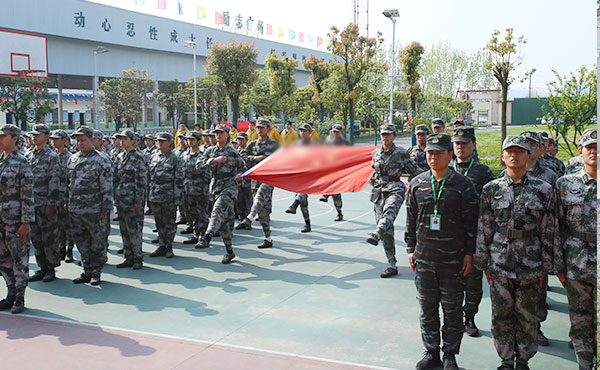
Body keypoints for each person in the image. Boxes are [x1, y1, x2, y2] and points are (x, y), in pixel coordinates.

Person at [474, 135, 556, 370]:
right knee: (501, 316)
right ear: (502, 157)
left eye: (519, 151)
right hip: (499, 263)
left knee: (527, 317)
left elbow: (549, 229)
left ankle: (524, 360)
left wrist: (547, 265)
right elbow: (484, 227)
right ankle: (506, 359)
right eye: (509, 151)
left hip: (531, 263)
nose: (514, 155)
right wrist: (482, 262)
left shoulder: (544, 189)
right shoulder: (491, 189)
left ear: (528, 155)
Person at [405, 133, 479, 370]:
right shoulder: (417, 184)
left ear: (449, 155)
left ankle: (450, 355)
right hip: (424, 260)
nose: (433, 157)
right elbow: (411, 220)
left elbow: (471, 223)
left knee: (452, 311)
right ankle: (431, 352)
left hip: (453, 261)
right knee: (427, 310)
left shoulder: (463, 186)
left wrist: (470, 253)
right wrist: (410, 249)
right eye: (430, 153)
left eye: (438, 153)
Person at [554, 128, 597, 370]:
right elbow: (556, 228)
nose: (595, 152)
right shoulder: (565, 185)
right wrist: (559, 265)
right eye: (590, 147)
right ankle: (584, 362)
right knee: (580, 319)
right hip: (576, 262)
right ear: (580, 151)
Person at [450, 126, 496, 338]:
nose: (460, 147)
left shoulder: (483, 172)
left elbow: (492, 206)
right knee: (450, 280)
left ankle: (470, 317)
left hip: (475, 235)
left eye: (465, 144)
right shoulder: (444, 169)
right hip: (449, 236)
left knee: (473, 280)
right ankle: (453, 318)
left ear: (473, 145)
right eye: (457, 144)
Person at [366, 123, 419, 278]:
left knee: (389, 212)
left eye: (388, 134)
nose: (385, 137)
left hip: (395, 187)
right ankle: (392, 264)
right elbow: (375, 171)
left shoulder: (401, 153)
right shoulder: (375, 153)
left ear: (394, 136)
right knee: (387, 231)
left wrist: (429, 180)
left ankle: (376, 233)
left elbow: (415, 171)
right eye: (383, 134)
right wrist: (373, 179)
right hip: (378, 191)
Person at [67, 126, 113, 285]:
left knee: (96, 241)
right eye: (77, 140)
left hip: (94, 209)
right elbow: (69, 184)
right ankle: (86, 270)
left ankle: (96, 272)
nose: (79, 143)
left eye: (83, 140)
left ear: (91, 140)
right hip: (75, 209)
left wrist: (105, 210)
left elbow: (106, 187)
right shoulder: (73, 159)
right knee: (80, 240)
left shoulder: (101, 159)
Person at [195, 124, 246, 264]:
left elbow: (243, 168)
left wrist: (240, 175)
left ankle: (207, 237)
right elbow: (198, 165)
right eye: (216, 133)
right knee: (223, 223)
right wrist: (214, 161)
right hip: (215, 187)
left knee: (218, 209)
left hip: (229, 187)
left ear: (227, 135)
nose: (218, 135)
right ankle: (229, 252)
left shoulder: (232, 151)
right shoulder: (210, 151)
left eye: (221, 133)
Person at [0, 124, 34, 314]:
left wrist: (25, 222)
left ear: (14, 139)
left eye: (3, 136)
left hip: (15, 221)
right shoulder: (0, 160)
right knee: (3, 259)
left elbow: (27, 195)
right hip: (1, 221)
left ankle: (20, 296)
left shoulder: (21, 162)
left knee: (19, 259)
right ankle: (10, 293)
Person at [236, 119, 280, 249]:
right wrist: (255, 158)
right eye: (258, 127)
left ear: (268, 128)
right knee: (263, 213)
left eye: (262, 127)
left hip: (268, 179)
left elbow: (280, 159)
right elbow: (243, 157)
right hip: (255, 180)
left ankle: (249, 217)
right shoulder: (252, 145)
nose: (259, 130)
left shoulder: (274, 145)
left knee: (261, 196)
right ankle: (268, 238)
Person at [26, 124, 60, 283]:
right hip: (31, 204)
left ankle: (51, 269)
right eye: (33, 135)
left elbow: (54, 182)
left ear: (47, 137)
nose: (34, 137)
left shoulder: (51, 156)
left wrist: (51, 204)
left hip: (44, 203)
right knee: (36, 238)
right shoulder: (29, 155)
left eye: (38, 135)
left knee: (49, 238)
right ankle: (42, 268)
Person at [113, 129, 147, 270]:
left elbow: (141, 181)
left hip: (133, 200)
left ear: (133, 140)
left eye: (125, 138)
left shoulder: (139, 157)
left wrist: (139, 201)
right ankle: (128, 257)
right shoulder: (120, 156)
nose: (122, 141)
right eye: (121, 138)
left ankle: (138, 258)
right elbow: (115, 178)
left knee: (134, 230)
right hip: (121, 200)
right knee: (124, 229)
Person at [148, 132, 184, 258]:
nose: (159, 143)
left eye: (163, 141)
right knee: (159, 222)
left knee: (169, 222)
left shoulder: (174, 158)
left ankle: (169, 247)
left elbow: (179, 179)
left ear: (169, 142)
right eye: (157, 140)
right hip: (155, 194)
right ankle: (161, 245)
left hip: (169, 194)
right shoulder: (153, 156)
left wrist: (177, 198)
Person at [49, 130, 75, 263]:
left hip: (65, 196)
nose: (54, 141)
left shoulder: (70, 157)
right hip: (54, 197)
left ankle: (70, 250)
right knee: (58, 225)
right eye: (53, 139)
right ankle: (61, 249)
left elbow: (72, 180)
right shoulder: (50, 156)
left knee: (67, 225)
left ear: (65, 140)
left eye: (57, 139)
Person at [181, 131, 210, 245]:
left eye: (192, 139)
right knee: (191, 213)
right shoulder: (184, 155)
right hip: (187, 188)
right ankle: (195, 234)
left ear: (198, 141)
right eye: (188, 139)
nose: (190, 141)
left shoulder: (202, 155)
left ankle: (203, 237)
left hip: (200, 189)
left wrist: (206, 192)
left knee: (202, 214)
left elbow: (207, 175)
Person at [285, 123, 314, 233]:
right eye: (301, 130)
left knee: (301, 193)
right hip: (298, 174)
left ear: (310, 133)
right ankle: (307, 224)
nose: (302, 132)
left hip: (309, 175)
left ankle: (294, 205)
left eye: (305, 131)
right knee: (304, 202)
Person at [320, 124, 349, 221]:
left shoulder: (344, 144)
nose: (335, 133)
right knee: (334, 190)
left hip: (339, 171)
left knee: (336, 193)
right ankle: (327, 194)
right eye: (334, 131)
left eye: (337, 132)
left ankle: (338, 211)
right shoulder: (328, 142)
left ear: (341, 133)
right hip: (329, 169)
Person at [235, 132, 252, 220]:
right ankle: (242, 218)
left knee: (248, 201)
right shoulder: (235, 152)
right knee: (239, 201)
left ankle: (247, 220)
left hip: (248, 181)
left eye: (242, 139)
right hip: (238, 180)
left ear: (246, 140)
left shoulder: (249, 151)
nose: (240, 141)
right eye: (238, 139)